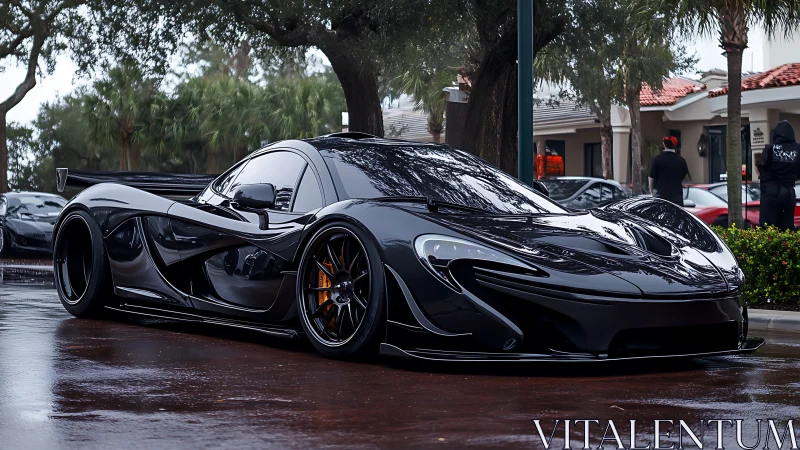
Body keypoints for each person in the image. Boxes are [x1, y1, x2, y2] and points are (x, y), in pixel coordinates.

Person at [756, 120, 800, 231]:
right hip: (789, 192)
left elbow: (761, 167)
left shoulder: (769, 149)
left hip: (771, 192)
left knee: (767, 229)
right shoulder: (798, 150)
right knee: (786, 228)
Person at [648, 136, 689, 206]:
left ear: (664, 144)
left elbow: (651, 177)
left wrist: (651, 191)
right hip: (677, 199)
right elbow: (683, 175)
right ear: (675, 145)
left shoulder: (657, 159)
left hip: (661, 197)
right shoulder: (681, 160)